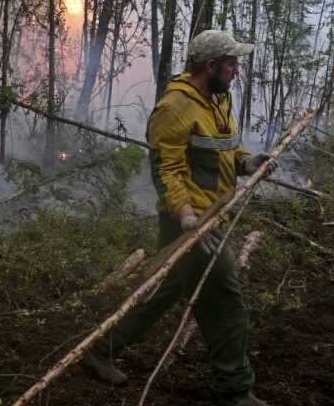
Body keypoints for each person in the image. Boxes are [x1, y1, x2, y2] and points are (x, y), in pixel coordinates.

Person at [82, 29, 276, 406]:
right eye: (232, 63)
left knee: (162, 290)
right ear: (211, 65)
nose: (237, 70)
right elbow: (166, 172)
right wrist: (188, 220)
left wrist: (248, 163)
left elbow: (228, 148)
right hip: (189, 223)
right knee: (225, 304)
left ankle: (99, 348)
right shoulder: (174, 107)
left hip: (210, 217)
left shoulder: (219, 99)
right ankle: (236, 391)